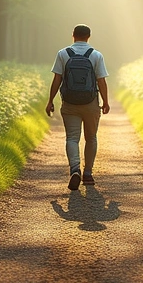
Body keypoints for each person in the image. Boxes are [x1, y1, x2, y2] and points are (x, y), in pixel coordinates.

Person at [45, 24, 110, 191]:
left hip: (70, 104)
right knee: (91, 138)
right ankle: (88, 173)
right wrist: (106, 102)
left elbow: (57, 80)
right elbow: (101, 81)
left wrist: (50, 100)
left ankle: (75, 169)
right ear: (89, 36)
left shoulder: (63, 54)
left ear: (73, 35)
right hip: (91, 104)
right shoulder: (96, 55)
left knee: (72, 138)